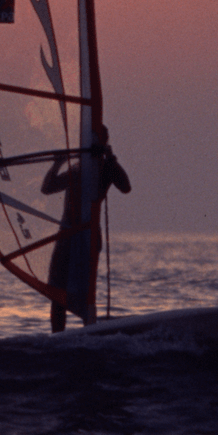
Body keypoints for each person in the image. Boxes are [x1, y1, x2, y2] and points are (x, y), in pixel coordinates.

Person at [40, 125, 130, 332]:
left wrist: (111, 157)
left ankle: (89, 330)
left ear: (103, 142)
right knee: (57, 290)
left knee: (86, 292)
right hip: (66, 233)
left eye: (94, 139)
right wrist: (58, 163)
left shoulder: (105, 167)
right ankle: (58, 336)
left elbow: (125, 187)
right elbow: (47, 188)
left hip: (88, 234)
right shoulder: (77, 168)